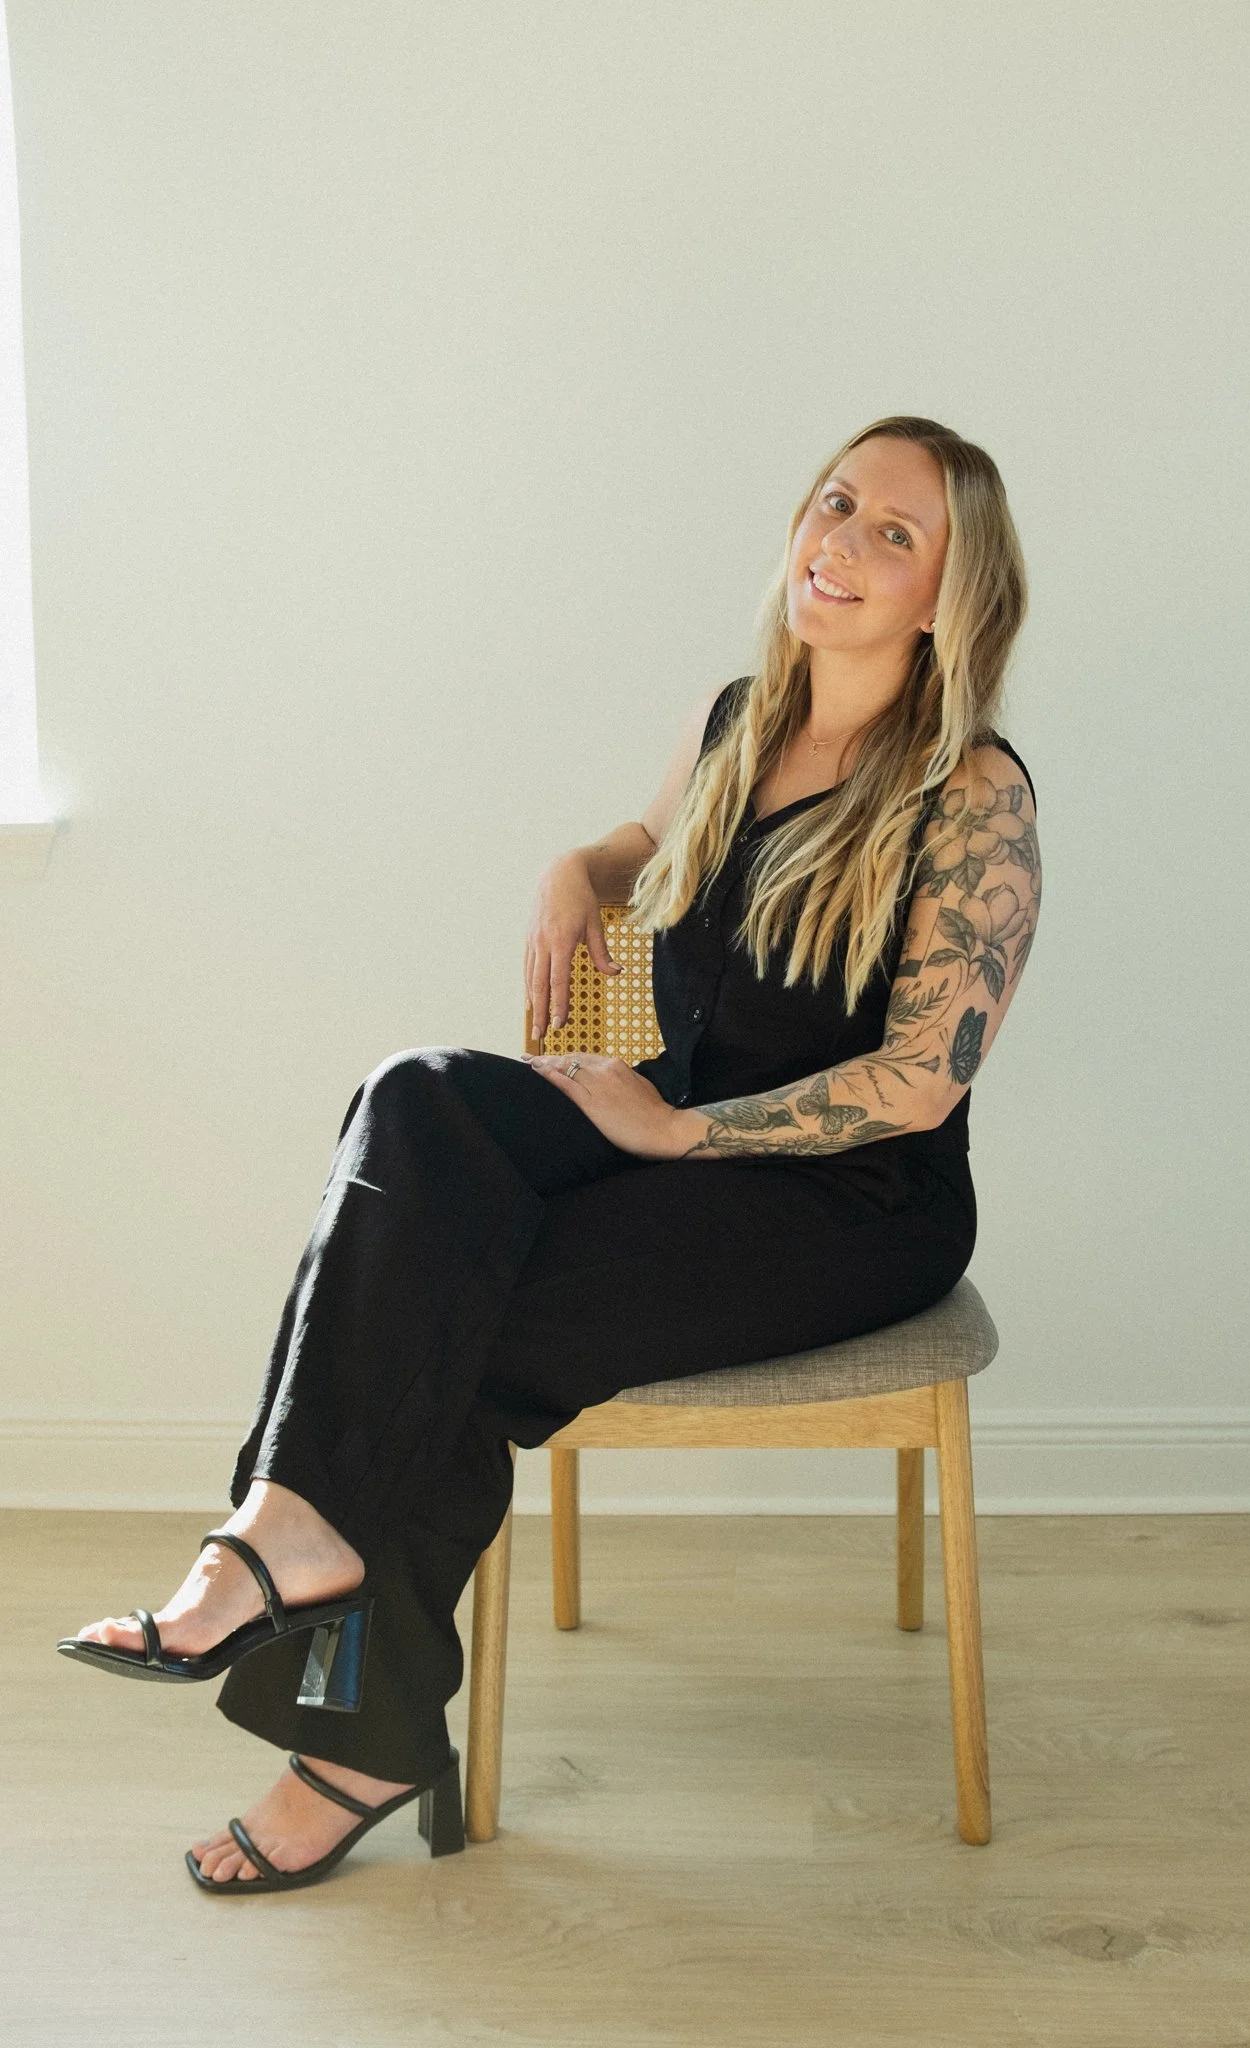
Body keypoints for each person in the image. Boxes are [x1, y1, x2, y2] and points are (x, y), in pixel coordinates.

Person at [58, 414, 1042, 1891]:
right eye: (836, 503)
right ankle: (287, 1535)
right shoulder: (739, 722)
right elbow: (648, 846)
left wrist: (681, 1130)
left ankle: (344, 1717)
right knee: (417, 1102)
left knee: (451, 1309)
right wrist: (578, 869)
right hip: (666, 1134)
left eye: (893, 533)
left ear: (949, 596)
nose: (839, 543)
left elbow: (921, 1083)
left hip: (846, 1203)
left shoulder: (971, 794)